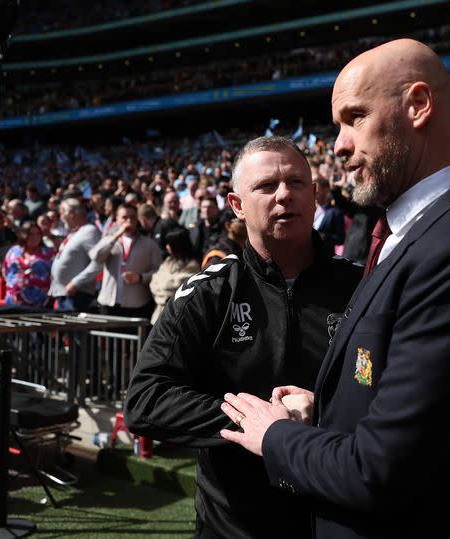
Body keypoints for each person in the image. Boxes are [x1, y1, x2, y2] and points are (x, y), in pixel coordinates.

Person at [218, 39, 450, 538]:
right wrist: (324, 409)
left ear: (417, 106)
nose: (339, 144)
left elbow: (381, 471)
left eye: (355, 117)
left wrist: (273, 435)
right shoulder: (410, 233)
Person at [124, 136, 362, 539]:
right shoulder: (208, 292)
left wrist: (320, 409)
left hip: (337, 519)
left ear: (315, 195)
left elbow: (394, 394)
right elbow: (145, 400)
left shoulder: (362, 285)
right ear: (237, 205)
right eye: (267, 186)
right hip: (234, 526)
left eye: (297, 183)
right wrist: (258, 425)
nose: (285, 194)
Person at [90, 203, 162, 319]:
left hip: (137, 304)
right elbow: (96, 256)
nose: (129, 221)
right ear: (117, 220)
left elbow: (158, 271)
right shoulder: (109, 240)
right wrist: (116, 235)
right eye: (124, 217)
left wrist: (141, 277)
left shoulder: (149, 244)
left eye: (132, 217)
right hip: (109, 303)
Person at [49, 198, 102, 312]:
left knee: (73, 329)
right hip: (65, 295)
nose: (61, 217)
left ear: (71, 213)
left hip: (77, 296)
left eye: (62, 212)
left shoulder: (89, 231)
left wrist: (76, 283)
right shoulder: (74, 233)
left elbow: (99, 263)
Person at [148, 228, 200, 324]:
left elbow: (171, 286)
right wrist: (163, 296)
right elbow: (154, 282)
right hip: (158, 314)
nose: (167, 247)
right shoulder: (168, 261)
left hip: (176, 316)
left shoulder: (192, 265)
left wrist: (162, 285)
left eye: (169, 244)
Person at [2, 221, 54, 308]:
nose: (35, 237)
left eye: (38, 234)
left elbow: (55, 274)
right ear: (23, 235)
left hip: (39, 302)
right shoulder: (14, 251)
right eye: (31, 234)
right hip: (13, 299)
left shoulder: (49, 253)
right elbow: (5, 270)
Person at [313, 176, 345, 252]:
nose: (314, 195)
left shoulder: (335, 212)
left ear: (326, 190)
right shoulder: (310, 209)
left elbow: (341, 239)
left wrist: (324, 236)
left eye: (317, 192)